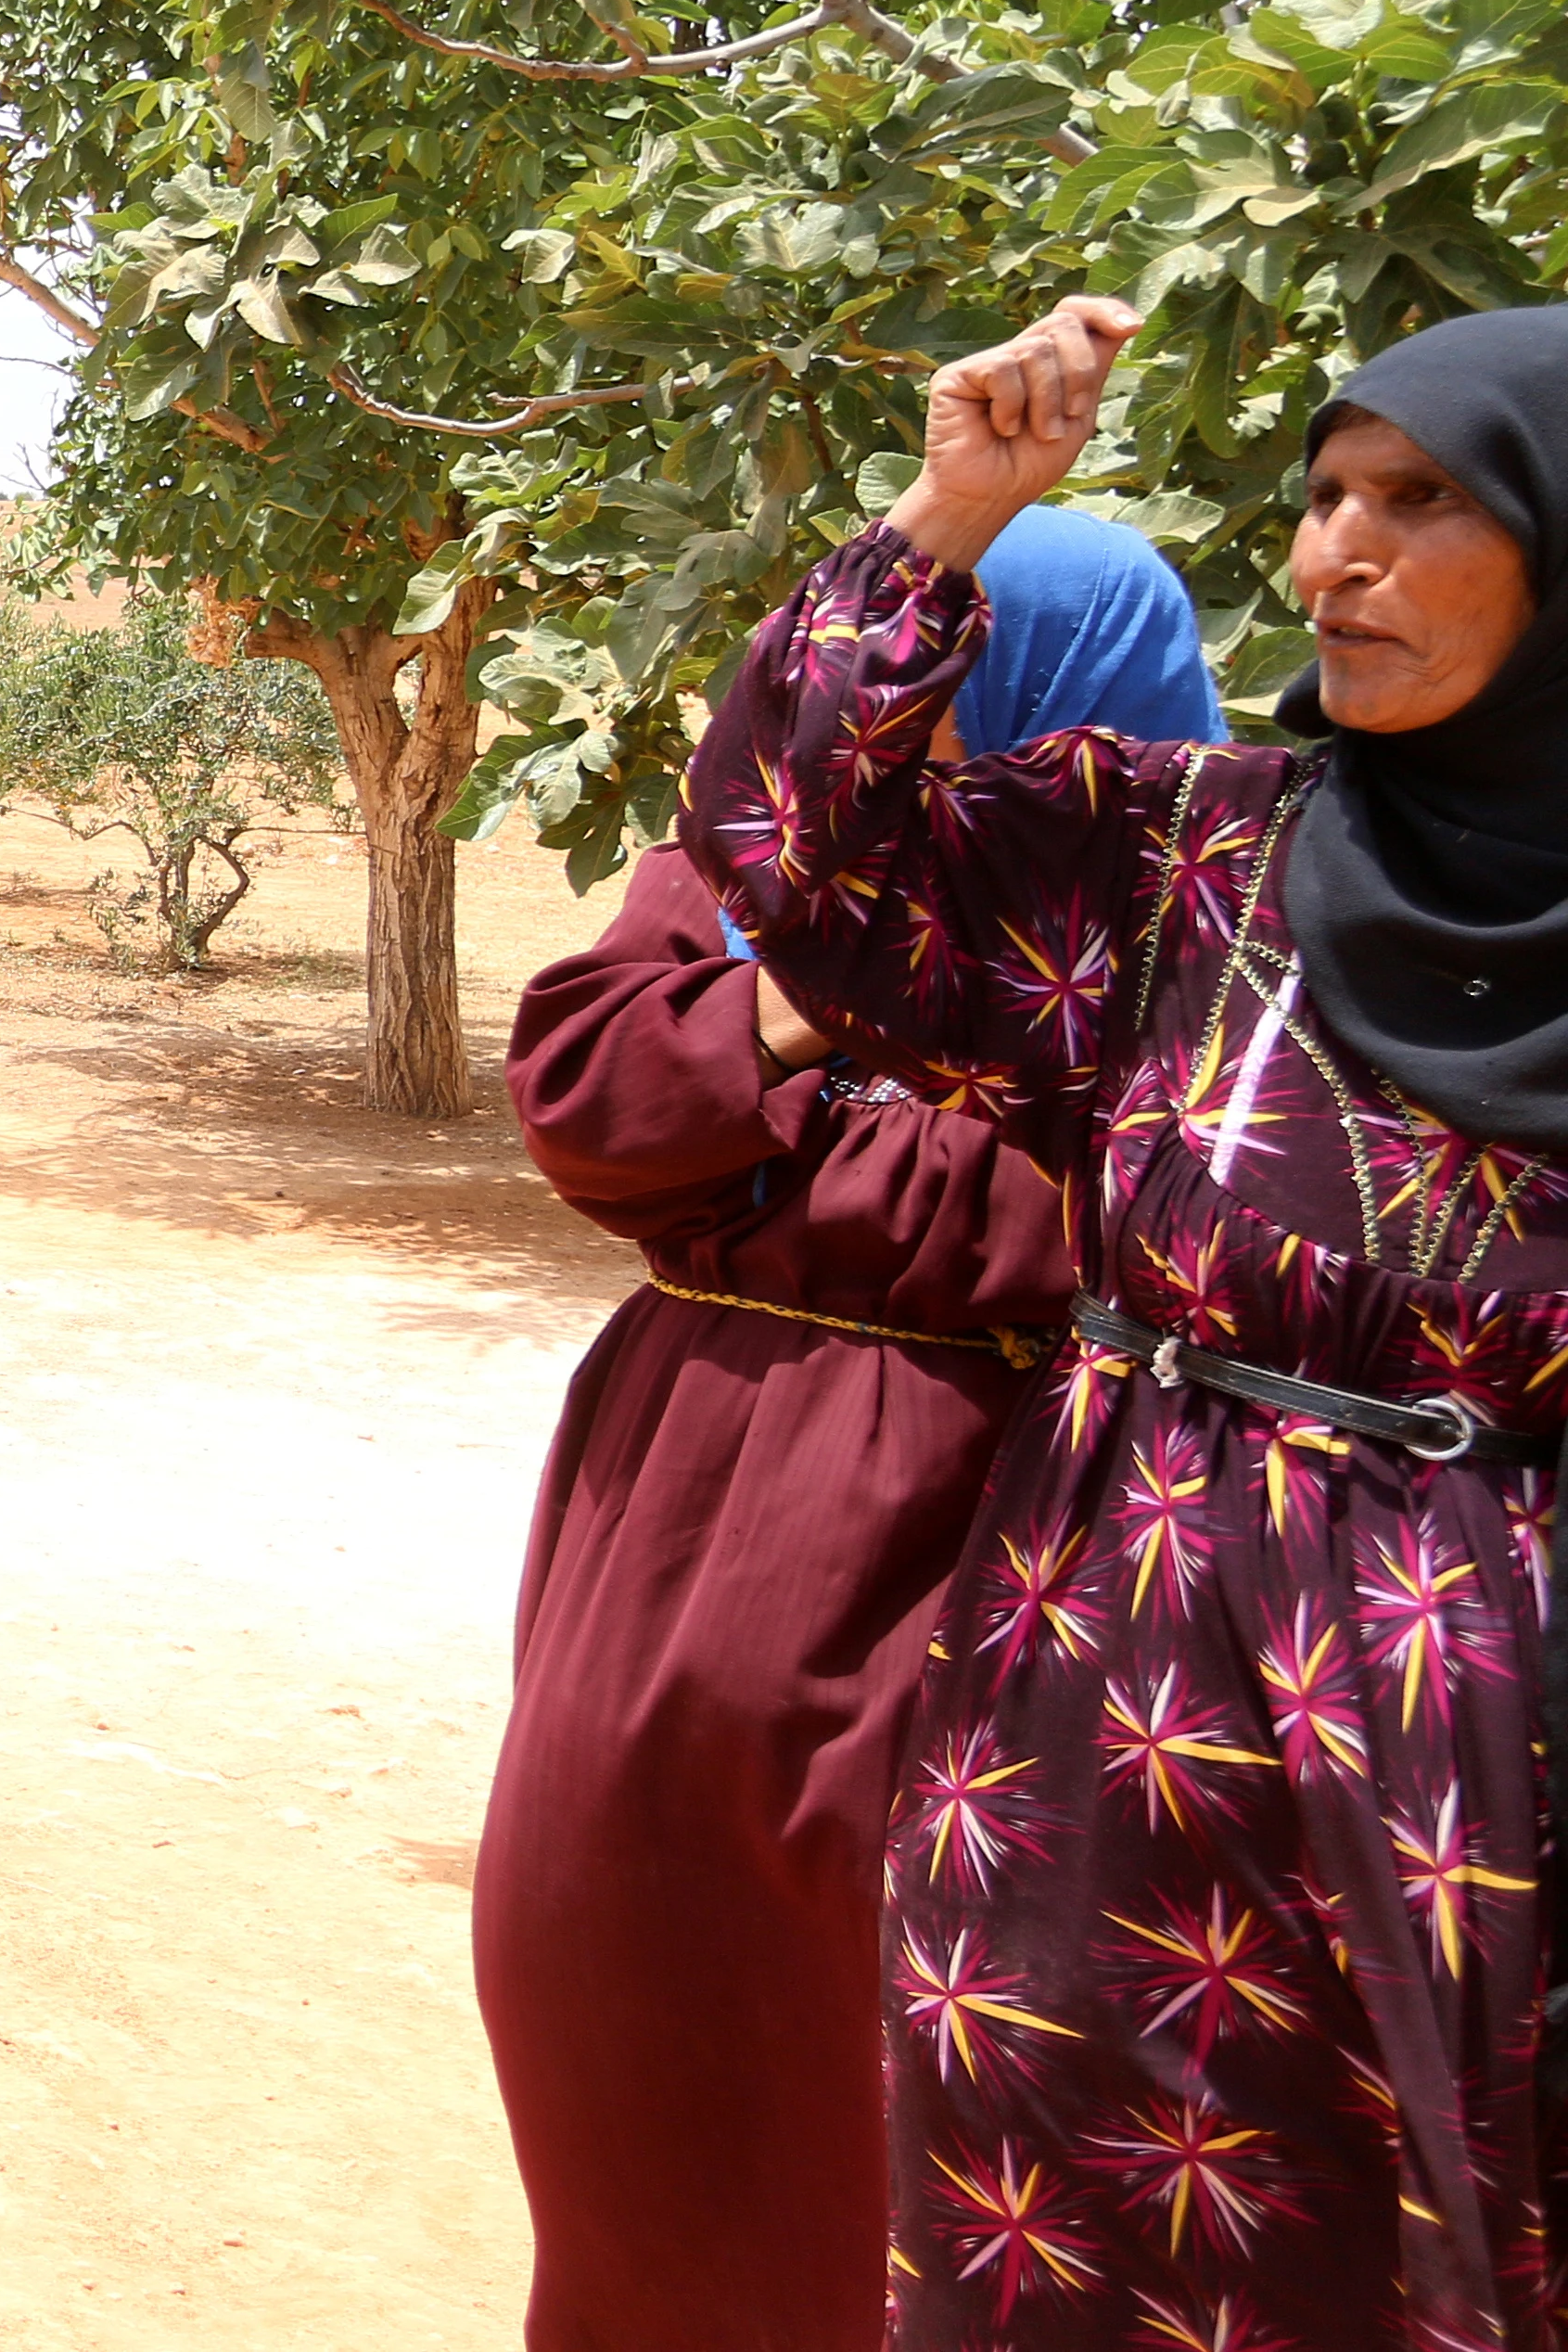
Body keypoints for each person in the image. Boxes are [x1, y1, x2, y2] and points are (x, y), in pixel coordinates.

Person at [685, 294, 1568, 2344]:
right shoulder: (1202, 853)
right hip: (1107, 1713)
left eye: (1417, 503)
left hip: (1488, 1766)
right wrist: (951, 516)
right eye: (1323, 496)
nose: (1332, 557)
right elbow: (808, 868)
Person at [482, 508, 1225, 2349]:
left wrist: (797, 1094)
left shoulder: (1192, 929)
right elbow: (587, 1096)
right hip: (655, 1564)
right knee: (623, 2078)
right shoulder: (760, 868)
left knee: (915, 2109)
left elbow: (1129, 1217)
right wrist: (831, 976)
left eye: (963, 690)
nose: (917, 734)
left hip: (984, 1558)